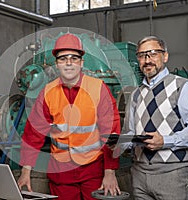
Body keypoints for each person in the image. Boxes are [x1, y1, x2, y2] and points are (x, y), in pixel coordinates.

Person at [17, 33, 122, 200]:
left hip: (92, 171)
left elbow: (112, 134)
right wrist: (25, 170)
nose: (68, 63)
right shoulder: (47, 93)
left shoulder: (98, 89)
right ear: (56, 64)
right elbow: (33, 134)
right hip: (61, 174)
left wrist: (110, 172)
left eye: (74, 58)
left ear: (81, 62)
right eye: (63, 58)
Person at [122, 35, 188, 200]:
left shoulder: (181, 86)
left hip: (172, 174)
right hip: (139, 174)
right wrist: (117, 142)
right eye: (142, 55)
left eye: (153, 53)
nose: (147, 60)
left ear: (165, 56)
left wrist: (166, 141)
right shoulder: (135, 95)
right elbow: (131, 132)